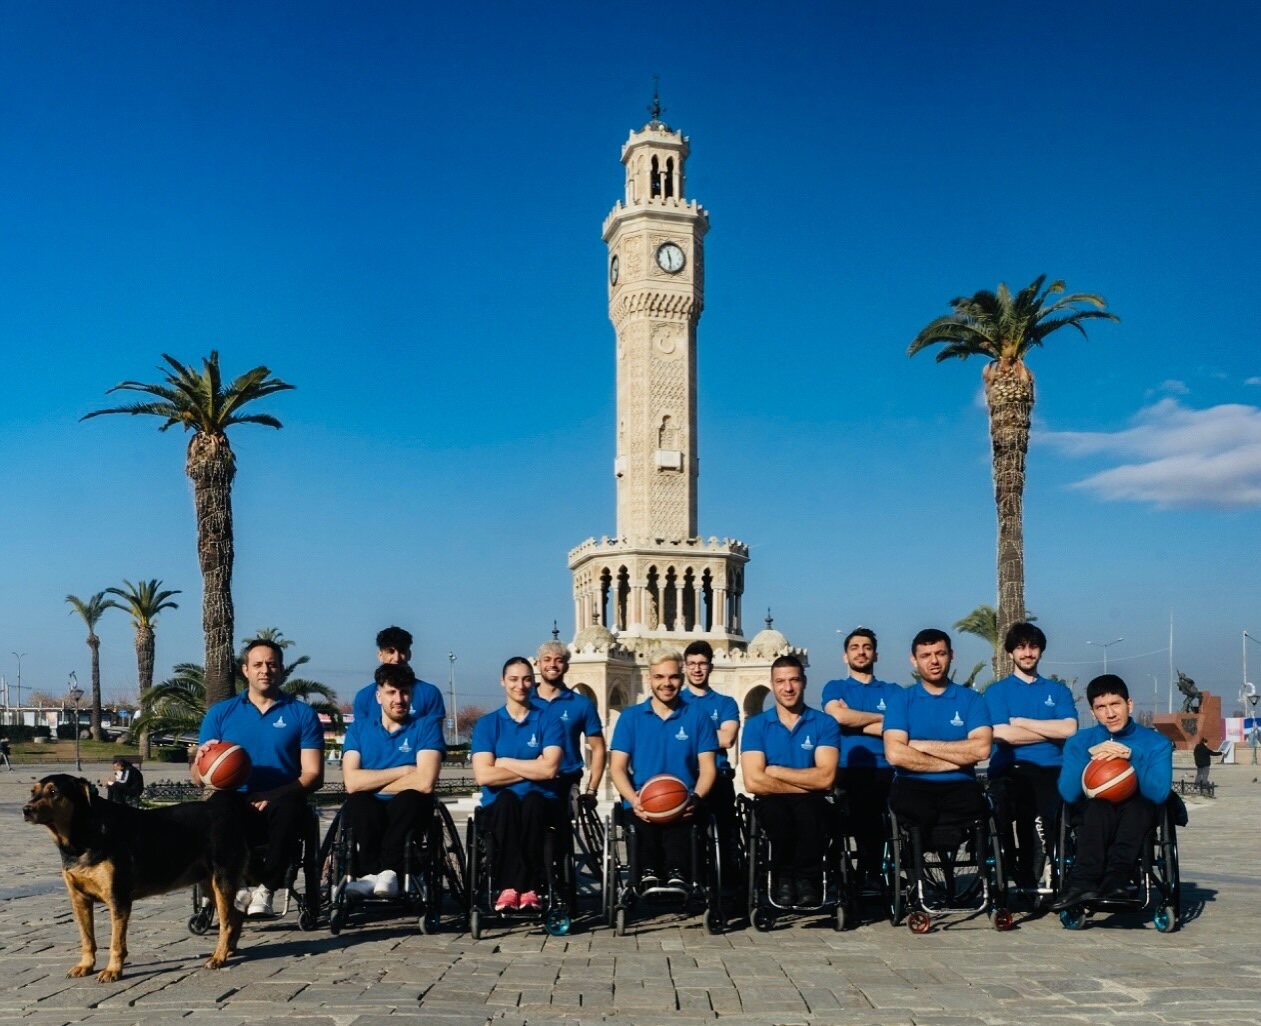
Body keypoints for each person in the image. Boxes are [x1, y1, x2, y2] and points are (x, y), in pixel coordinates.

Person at [195, 638, 325, 916]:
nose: (265, 670)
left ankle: (266, 888)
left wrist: (272, 795)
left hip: (282, 799)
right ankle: (237, 885)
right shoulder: (221, 713)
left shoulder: (302, 714)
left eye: (272, 664)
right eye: (258, 664)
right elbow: (198, 775)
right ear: (245, 670)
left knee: (291, 809)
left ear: (281, 670)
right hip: (235, 798)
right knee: (217, 807)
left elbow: (313, 774)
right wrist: (202, 765)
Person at [1052, 674, 1173, 909]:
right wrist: (1090, 757)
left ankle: (1117, 878)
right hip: (1094, 809)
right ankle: (1082, 882)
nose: (1110, 713)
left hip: (1138, 807)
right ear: (1092, 712)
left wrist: (1133, 756)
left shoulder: (1156, 743)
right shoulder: (1079, 741)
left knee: (1139, 808)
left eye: (1115, 704)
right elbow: (1068, 793)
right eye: (1101, 707)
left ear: (1129, 704)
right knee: (1097, 808)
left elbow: (1158, 794)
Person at [609, 648, 718, 888]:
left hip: (684, 798)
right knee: (644, 823)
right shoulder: (631, 717)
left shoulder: (698, 717)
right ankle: (648, 873)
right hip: (641, 799)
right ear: (649, 678)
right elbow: (617, 768)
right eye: (659, 677)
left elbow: (708, 769)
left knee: (680, 821)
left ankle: (678, 873)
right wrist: (633, 799)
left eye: (673, 677)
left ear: (681, 678)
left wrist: (696, 798)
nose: (666, 683)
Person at [741, 655, 841, 906]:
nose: (788, 688)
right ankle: (783, 877)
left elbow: (826, 778)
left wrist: (775, 770)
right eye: (781, 681)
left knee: (812, 814)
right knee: (777, 816)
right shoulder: (756, 725)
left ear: (804, 682)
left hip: (813, 802)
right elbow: (753, 781)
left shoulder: (824, 723)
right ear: (772, 685)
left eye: (794, 680)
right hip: (773, 801)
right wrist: (806, 782)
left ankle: (808, 880)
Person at [984, 623, 1077, 890]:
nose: (1027, 653)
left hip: (1053, 768)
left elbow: (1070, 729)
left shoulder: (1057, 691)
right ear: (1011, 653)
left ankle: (1051, 868)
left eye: (1033, 647)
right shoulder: (997, 692)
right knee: (1001, 810)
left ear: (1041, 651)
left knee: (1055, 813)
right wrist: (1051, 731)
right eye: (1021, 647)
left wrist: (1022, 721)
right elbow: (1003, 734)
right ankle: (1011, 868)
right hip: (1010, 768)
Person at [340, 662, 444, 898]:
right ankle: (371, 874)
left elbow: (426, 781)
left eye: (404, 692)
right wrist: (406, 770)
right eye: (391, 692)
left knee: (408, 799)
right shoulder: (359, 729)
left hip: (410, 804)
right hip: (369, 803)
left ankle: (388, 872)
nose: (399, 699)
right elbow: (352, 782)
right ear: (378, 696)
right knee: (359, 802)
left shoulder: (426, 726)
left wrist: (373, 780)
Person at [470, 657, 564, 912]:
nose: (520, 685)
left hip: (541, 801)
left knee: (533, 803)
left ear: (533, 681)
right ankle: (511, 886)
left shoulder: (548, 720)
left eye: (526, 679)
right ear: (503, 682)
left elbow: (550, 769)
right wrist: (533, 767)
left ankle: (529, 887)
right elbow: (484, 776)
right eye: (513, 679)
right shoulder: (488, 724)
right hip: (500, 804)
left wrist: (505, 762)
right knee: (507, 802)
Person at [883, 629, 992, 839]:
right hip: (912, 785)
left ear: (951, 655)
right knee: (913, 811)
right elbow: (895, 754)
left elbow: (981, 749)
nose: (934, 661)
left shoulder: (972, 700)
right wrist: (956, 760)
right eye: (925, 655)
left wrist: (920, 746)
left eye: (940, 654)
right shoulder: (901, 700)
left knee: (978, 808)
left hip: (961, 786)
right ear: (914, 660)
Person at [823, 627, 901, 886]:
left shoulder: (892, 691)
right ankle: (859, 872)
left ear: (875, 655)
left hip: (885, 767)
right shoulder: (835, 687)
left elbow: (900, 726)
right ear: (845, 656)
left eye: (866, 647)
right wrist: (883, 719)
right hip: (847, 767)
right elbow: (838, 716)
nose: (861, 652)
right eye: (855, 647)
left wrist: (855, 720)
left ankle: (872, 871)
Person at [679, 640, 739, 859]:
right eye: (692, 663)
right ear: (684, 667)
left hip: (718, 777)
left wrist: (683, 735)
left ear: (711, 666)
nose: (697, 669)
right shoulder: (675, 701)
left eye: (702, 663)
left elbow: (728, 739)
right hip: (682, 777)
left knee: (725, 834)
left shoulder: (725, 703)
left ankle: (728, 881)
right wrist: (711, 734)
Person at [531, 641, 606, 817]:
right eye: (547, 659)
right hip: (529, 778)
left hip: (565, 779)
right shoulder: (524, 701)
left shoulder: (581, 705)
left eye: (559, 660)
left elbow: (598, 748)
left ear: (566, 666)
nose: (552, 665)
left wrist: (592, 790)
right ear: (538, 663)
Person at [351, 626, 445, 731]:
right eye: (391, 651)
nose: (396, 658)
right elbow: (362, 737)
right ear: (380, 655)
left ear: (409, 654)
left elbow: (434, 738)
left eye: (402, 651)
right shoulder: (363, 697)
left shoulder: (429, 693)